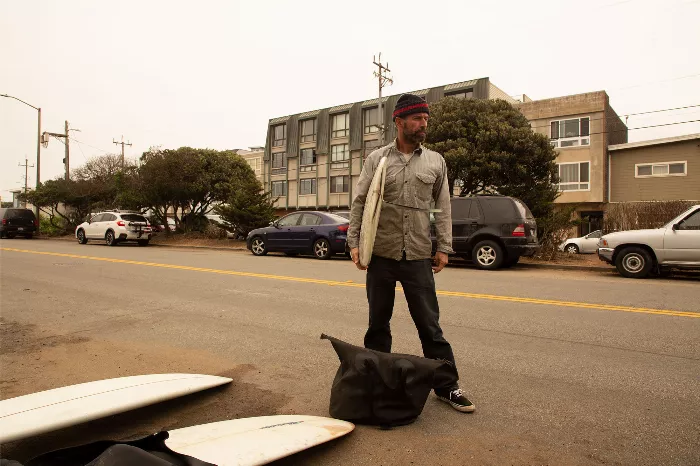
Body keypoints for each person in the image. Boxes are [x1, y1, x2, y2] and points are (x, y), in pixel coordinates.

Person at [347, 93, 475, 413]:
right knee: (378, 324)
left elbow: (442, 208)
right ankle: (376, 381)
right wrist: (354, 243)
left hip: (418, 254)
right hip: (380, 254)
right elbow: (361, 202)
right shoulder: (377, 159)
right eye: (417, 119)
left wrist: (444, 247)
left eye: (426, 119)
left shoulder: (435, 162)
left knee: (430, 326)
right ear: (399, 121)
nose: (423, 124)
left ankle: (447, 386)